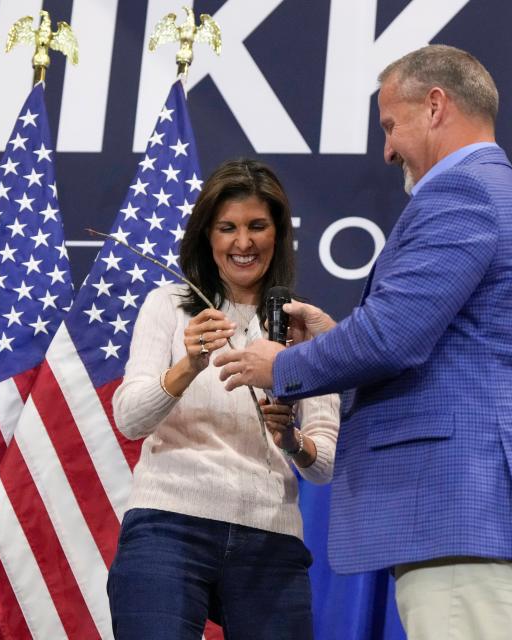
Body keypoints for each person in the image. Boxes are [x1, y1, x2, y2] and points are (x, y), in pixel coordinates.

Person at [215, 45, 512, 639]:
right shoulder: (497, 192)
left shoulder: (461, 193)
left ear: (436, 105)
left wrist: (283, 364)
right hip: (487, 516)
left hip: (468, 515)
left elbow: (392, 338)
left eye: (391, 125)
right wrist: (341, 341)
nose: (386, 149)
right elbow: (447, 340)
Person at [107, 158, 339, 639]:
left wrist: (290, 440)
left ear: (278, 234)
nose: (243, 243)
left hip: (270, 535)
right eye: (227, 228)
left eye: (257, 226)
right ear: (206, 236)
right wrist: (188, 365)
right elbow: (130, 419)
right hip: (168, 524)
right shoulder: (168, 305)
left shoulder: (306, 325)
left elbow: (325, 463)